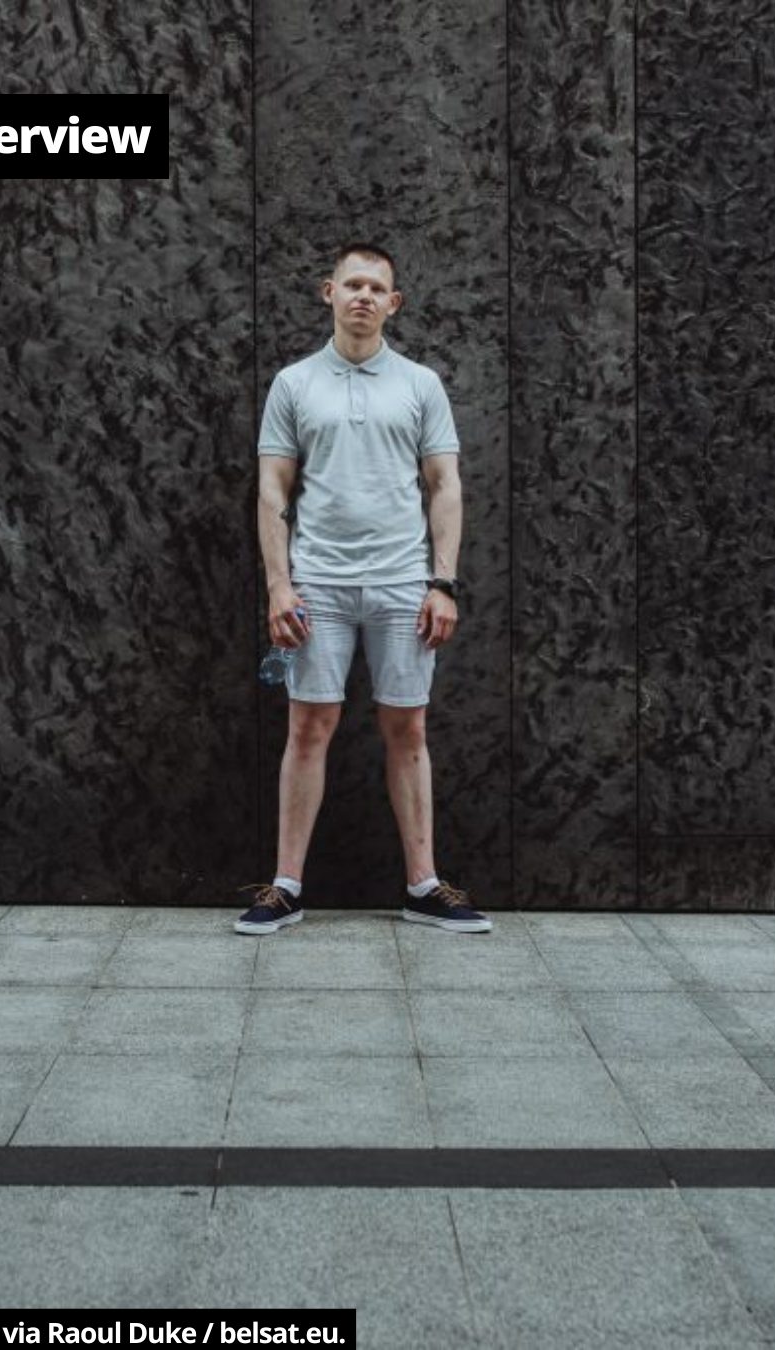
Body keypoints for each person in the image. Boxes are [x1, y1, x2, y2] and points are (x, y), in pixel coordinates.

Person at [235, 242, 491, 936]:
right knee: (308, 727)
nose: (364, 297)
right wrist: (279, 585)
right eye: (352, 284)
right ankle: (286, 885)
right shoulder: (293, 384)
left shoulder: (419, 384)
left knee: (406, 728)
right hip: (317, 581)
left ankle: (422, 884)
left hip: (402, 583)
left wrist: (442, 582)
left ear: (393, 303)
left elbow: (445, 485)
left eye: (377, 288)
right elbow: (272, 488)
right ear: (329, 292)